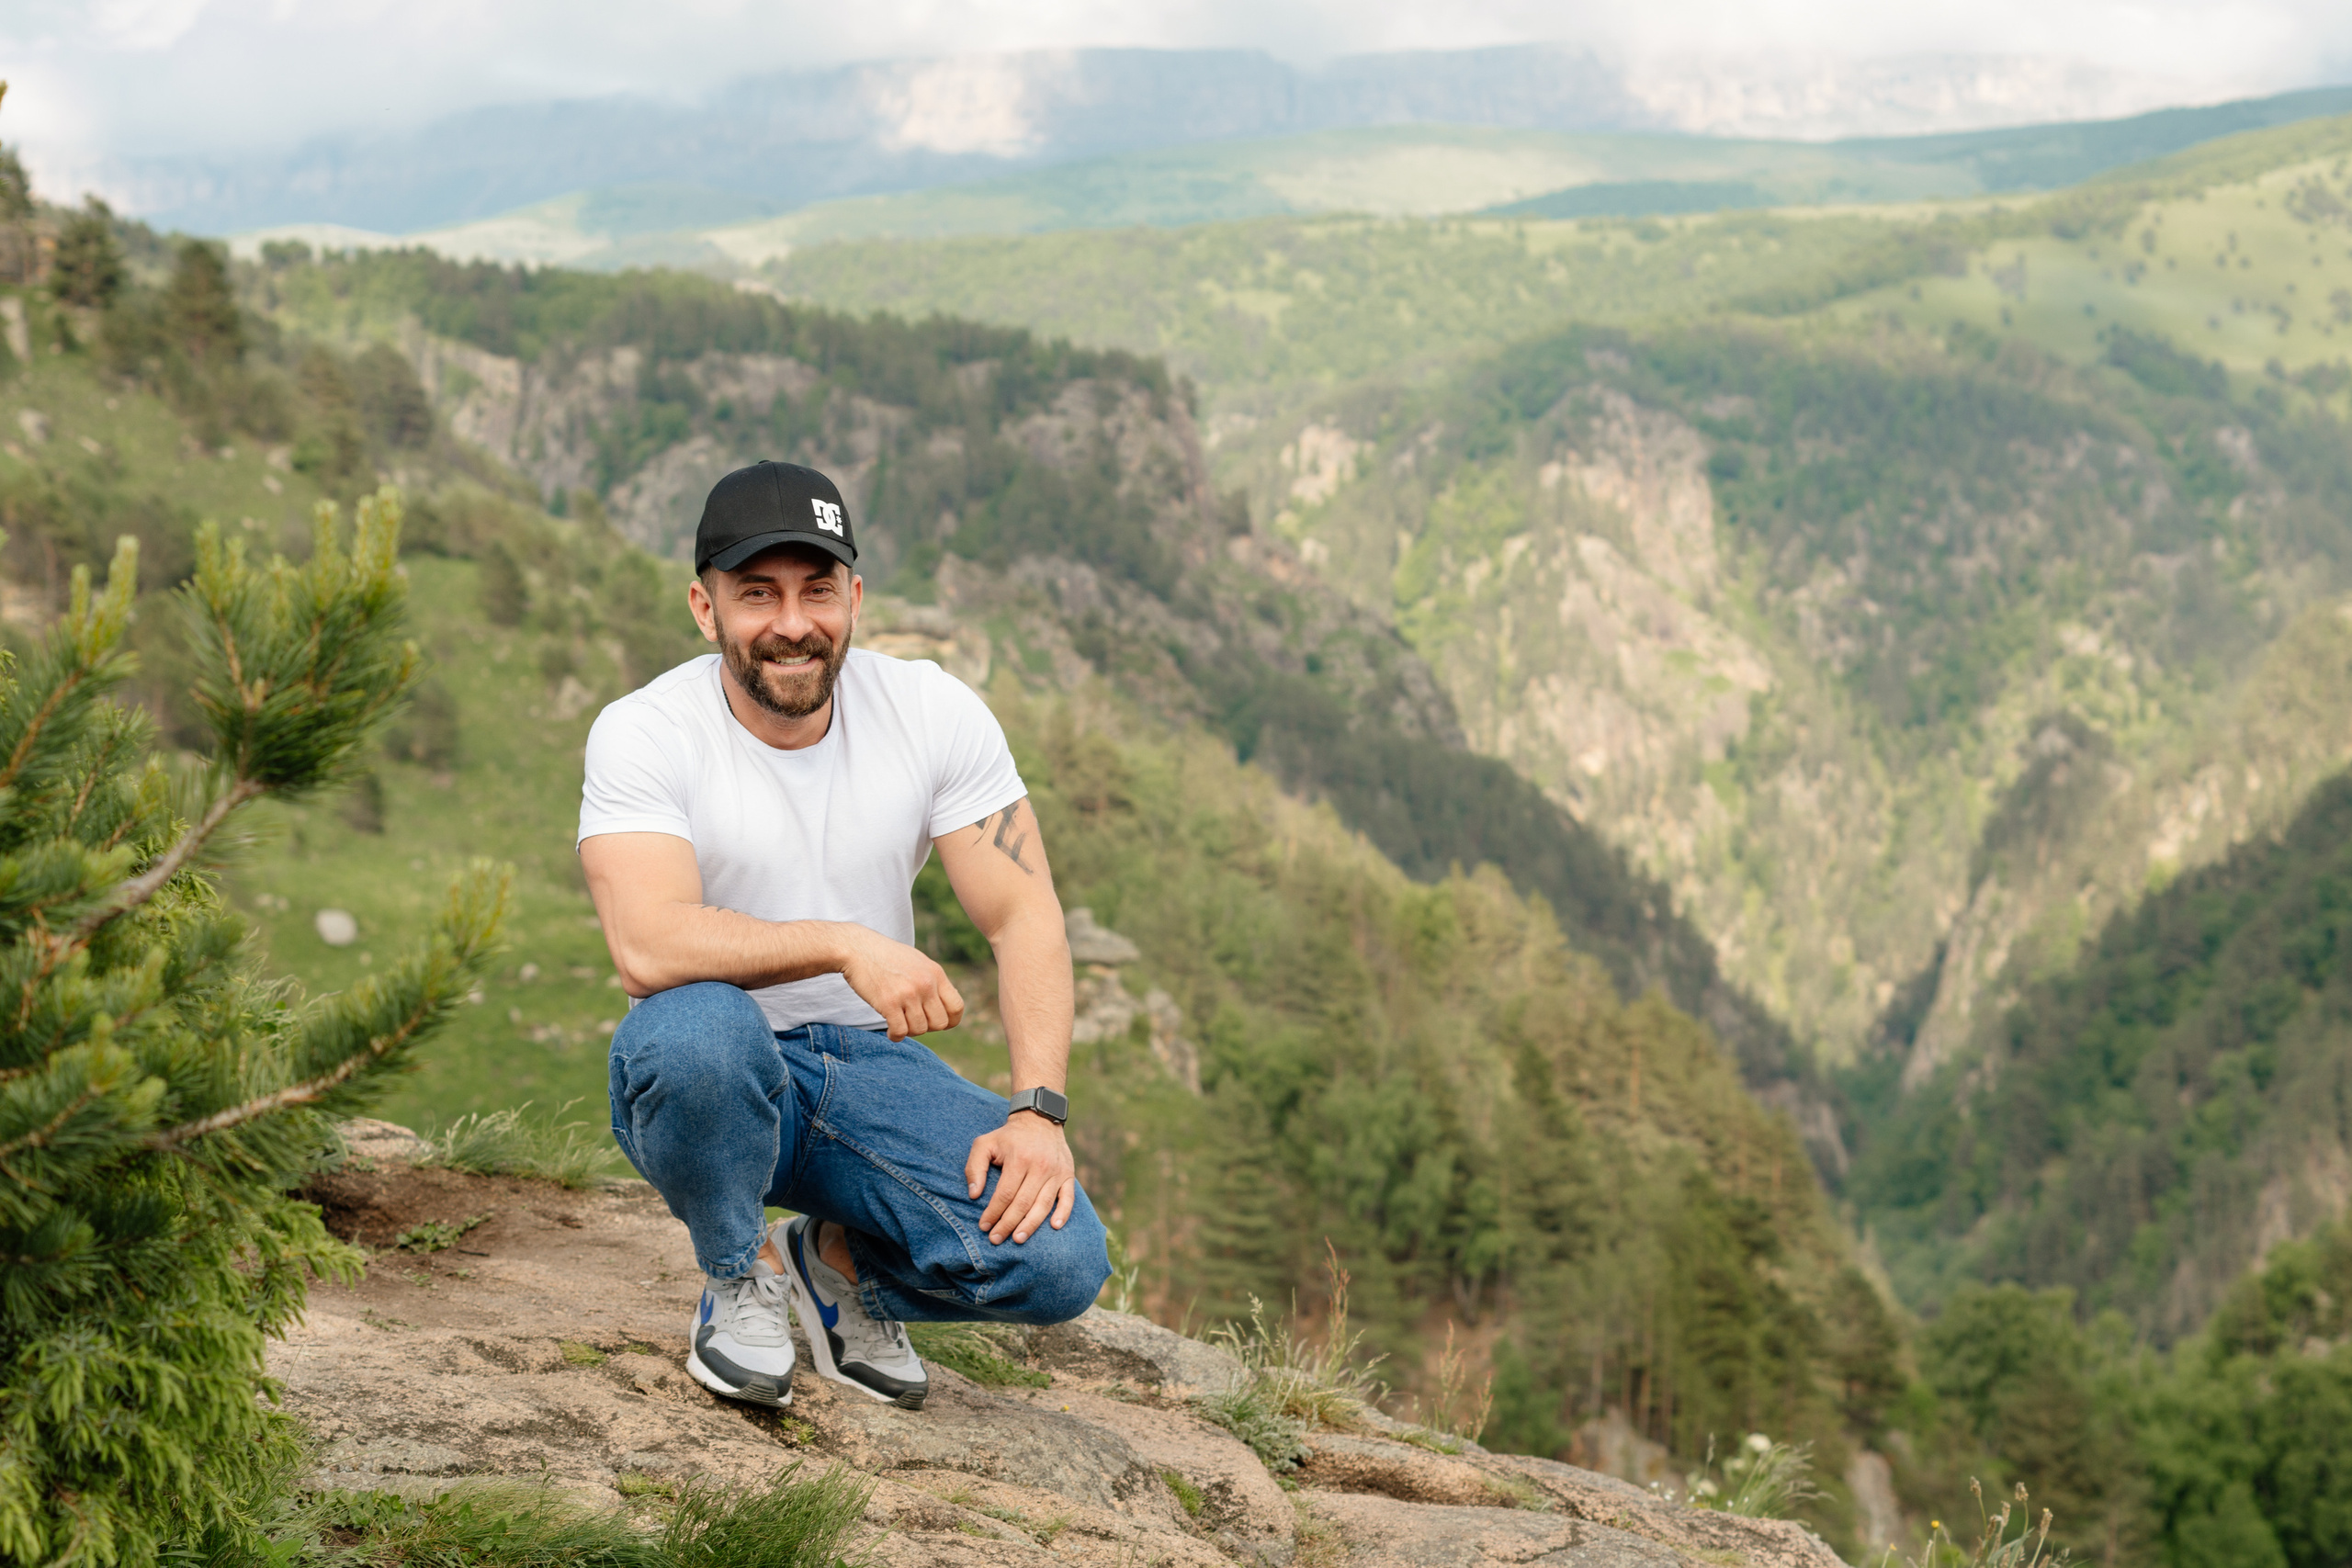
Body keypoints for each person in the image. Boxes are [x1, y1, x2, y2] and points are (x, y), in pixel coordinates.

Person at [578, 460, 1109, 1412]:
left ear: (854, 598)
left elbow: (1023, 911)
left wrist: (1037, 1111)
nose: (792, 623)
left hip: (866, 1069)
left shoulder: (931, 711)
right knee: (701, 1032)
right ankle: (735, 1279)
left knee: (1062, 1264)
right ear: (706, 611)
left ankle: (833, 1266)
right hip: (709, 1070)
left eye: (816, 590)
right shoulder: (644, 731)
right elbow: (647, 946)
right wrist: (843, 943)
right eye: (757, 595)